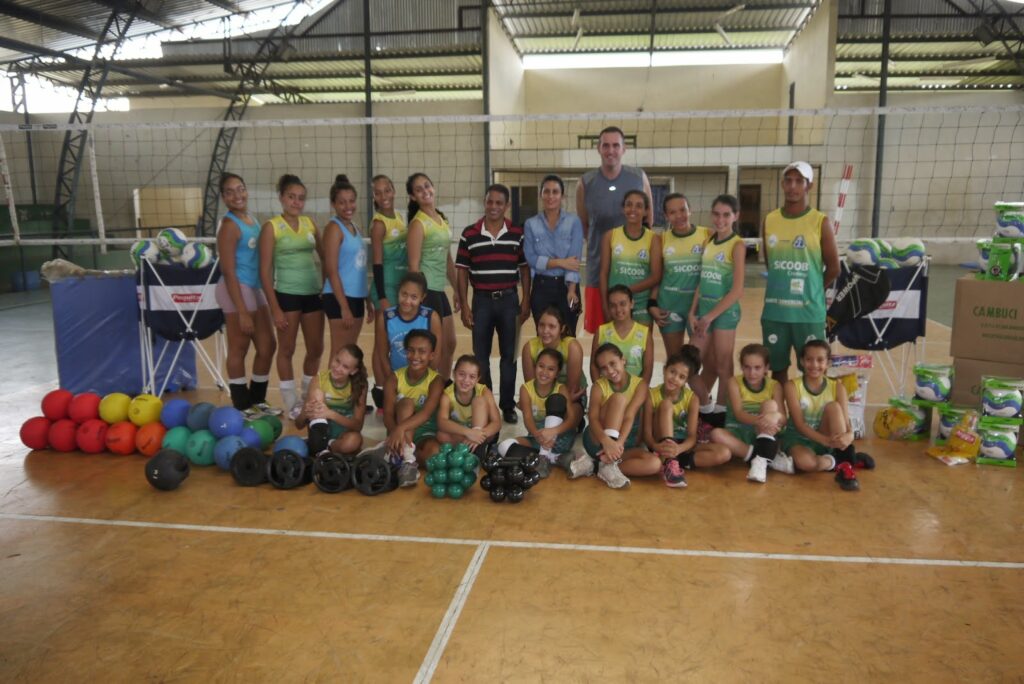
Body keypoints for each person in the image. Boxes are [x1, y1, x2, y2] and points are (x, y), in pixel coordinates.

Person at [455, 184, 531, 424]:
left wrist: (526, 299)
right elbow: (462, 271)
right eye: (490, 201)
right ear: (484, 202)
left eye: (499, 203)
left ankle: (507, 405)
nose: (494, 206)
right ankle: (485, 404)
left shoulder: (517, 233)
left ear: (506, 205)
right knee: (481, 358)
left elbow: (525, 269)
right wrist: (465, 306)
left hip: (509, 301)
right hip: (481, 302)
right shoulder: (469, 234)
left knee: (510, 357)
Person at [762, 161, 841, 384]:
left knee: (813, 374)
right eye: (788, 181)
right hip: (775, 312)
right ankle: (779, 408)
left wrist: (813, 289)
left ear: (809, 186)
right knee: (777, 371)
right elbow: (771, 264)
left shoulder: (820, 221)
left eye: (799, 181)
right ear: (782, 184)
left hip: (808, 313)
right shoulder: (770, 220)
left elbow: (834, 268)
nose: (792, 186)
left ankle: (809, 409)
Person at [259, 174, 324, 420]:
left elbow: (326, 256)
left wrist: (326, 286)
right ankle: (291, 403)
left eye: (301, 198)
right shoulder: (272, 227)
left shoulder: (310, 224)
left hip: (312, 294)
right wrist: (274, 308)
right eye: (291, 197)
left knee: (316, 348)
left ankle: (307, 397)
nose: (296, 202)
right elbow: (264, 271)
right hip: (286, 295)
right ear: (281, 198)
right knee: (286, 349)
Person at [576, 126, 654, 334]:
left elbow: (649, 219)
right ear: (598, 148)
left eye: (615, 145)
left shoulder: (638, 177)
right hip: (597, 272)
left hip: (633, 274)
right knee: (602, 334)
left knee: (635, 336)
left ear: (624, 149)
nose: (610, 150)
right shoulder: (586, 182)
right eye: (606, 145)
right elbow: (584, 225)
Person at [214, 172, 279, 417]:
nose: (237, 195)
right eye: (230, 192)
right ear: (223, 197)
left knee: (268, 345)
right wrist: (241, 311)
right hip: (235, 288)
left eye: (240, 189)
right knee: (239, 348)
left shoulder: (252, 219)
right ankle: (241, 405)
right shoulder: (229, 226)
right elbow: (228, 271)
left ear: (246, 190)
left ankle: (257, 399)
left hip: (253, 287)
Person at [782, 340, 873, 491]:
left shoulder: (837, 387)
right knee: (806, 464)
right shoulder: (792, 386)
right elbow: (800, 425)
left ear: (828, 363)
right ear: (802, 361)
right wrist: (828, 442)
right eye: (809, 359)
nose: (814, 364)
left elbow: (846, 423)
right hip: (799, 438)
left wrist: (849, 436)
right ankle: (838, 461)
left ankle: (845, 466)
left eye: (820, 360)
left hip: (827, 437)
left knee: (834, 407)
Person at [688, 194, 745, 421]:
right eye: (716, 214)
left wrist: (710, 317)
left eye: (726, 215)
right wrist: (692, 312)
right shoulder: (708, 241)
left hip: (724, 314)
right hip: (704, 312)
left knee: (723, 366)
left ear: (735, 216)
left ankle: (721, 413)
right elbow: (701, 281)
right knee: (688, 362)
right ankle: (705, 404)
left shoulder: (737, 245)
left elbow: (737, 290)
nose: (720, 220)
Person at [644, 348, 731, 489]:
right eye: (672, 372)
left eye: (681, 377)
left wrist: (679, 449)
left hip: (681, 447)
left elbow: (692, 436)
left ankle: (675, 462)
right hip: (661, 446)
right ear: (664, 370)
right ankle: (669, 462)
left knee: (724, 453)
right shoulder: (651, 395)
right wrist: (655, 446)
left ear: (686, 380)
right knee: (666, 404)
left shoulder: (692, 399)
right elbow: (647, 434)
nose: (675, 378)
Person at [578, 343, 659, 489]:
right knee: (619, 398)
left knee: (654, 464)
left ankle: (601, 466)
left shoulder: (640, 385)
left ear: (623, 360)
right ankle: (606, 461)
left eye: (612, 363)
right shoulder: (599, 386)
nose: (609, 371)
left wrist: (618, 444)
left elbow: (629, 416)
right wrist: (606, 441)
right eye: (604, 368)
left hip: (623, 446)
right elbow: (593, 418)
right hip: (597, 441)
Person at [709, 344, 794, 484]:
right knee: (716, 434)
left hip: (763, 432)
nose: (752, 373)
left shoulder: (775, 386)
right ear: (741, 367)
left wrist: (775, 416)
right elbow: (739, 414)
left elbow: (783, 418)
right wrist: (762, 420)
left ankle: (761, 459)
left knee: (771, 405)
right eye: (747, 367)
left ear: (766, 368)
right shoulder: (734, 382)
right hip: (738, 431)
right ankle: (764, 458)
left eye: (757, 368)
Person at [406, 172, 457, 382]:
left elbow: (448, 260)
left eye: (427, 186)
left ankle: (442, 385)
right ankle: (430, 389)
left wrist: (458, 290)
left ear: (433, 187)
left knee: (450, 343)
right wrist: (419, 298)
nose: (425, 191)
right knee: (434, 347)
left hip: (439, 289)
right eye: (419, 189)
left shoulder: (441, 219)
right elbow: (413, 266)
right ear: (413, 197)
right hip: (427, 292)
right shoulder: (418, 224)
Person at [649, 192, 709, 359]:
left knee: (696, 360)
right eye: (672, 212)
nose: (679, 216)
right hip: (669, 307)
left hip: (699, 307)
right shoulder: (661, 239)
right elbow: (657, 276)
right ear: (666, 216)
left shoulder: (708, 235)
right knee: (674, 360)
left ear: (690, 210)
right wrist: (652, 304)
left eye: (682, 210)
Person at [523, 174, 583, 333]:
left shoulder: (574, 222)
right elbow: (531, 259)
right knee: (544, 335)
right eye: (546, 191)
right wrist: (560, 262)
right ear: (541, 195)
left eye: (555, 192)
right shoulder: (530, 224)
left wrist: (571, 290)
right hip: (541, 290)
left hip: (569, 289)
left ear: (562, 196)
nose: (550, 196)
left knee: (568, 334)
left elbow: (574, 261)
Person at [383, 329, 444, 487]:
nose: (415, 356)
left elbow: (425, 414)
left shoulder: (436, 381)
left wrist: (400, 429)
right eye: (411, 350)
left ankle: (399, 456)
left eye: (422, 351)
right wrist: (395, 432)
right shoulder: (394, 378)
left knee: (435, 454)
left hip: (423, 432)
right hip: (399, 432)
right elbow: (387, 414)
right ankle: (407, 460)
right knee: (406, 403)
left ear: (431, 355)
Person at [322, 174, 372, 361]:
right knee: (339, 352)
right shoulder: (334, 228)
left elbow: (358, 268)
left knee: (349, 352)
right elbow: (331, 270)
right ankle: (328, 383)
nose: (348, 206)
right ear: (333, 204)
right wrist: (343, 307)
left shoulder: (354, 227)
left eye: (351, 201)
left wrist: (366, 299)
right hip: (340, 297)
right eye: (342, 202)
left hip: (356, 297)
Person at [369, 174, 407, 407]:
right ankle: (380, 389)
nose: (383, 195)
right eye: (378, 192)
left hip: (400, 287)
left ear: (393, 191)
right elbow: (377, 264)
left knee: (394, 339)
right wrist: (382, 296)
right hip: (385, 288)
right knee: (381, 342)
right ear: (374, 196)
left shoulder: (400, 218)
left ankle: (394, 386)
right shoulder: (379, 224)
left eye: (387, 190)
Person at [599, 189, 662, 326]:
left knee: (642, 340)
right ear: (623, 208)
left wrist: (626, 292)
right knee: (615, 340)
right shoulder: (610, 236)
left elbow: (656, 276)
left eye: (639, 206)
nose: (633, 209)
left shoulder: (654, 239)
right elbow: (603, 273)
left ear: (646, 211)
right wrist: (605, 304)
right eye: (629, 204)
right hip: (616, 304)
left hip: (641, 304)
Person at [516, 348, 581, 478]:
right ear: (535, 366)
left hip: (559, 438)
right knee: (504, 447)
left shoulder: (560, 388)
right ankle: (557, 458)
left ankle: (543, 457)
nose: (544, 372)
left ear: (557, 373)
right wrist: (538, 436)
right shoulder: (525, 388)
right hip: (538, 437)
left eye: (551, 369)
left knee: (556, 400)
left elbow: (571, 418)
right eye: (541, 366)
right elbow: (527, 418)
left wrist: (553, 431)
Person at [297, 344, 367, 457]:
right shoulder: (318, 380)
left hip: (342, 436)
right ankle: (318, 442)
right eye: (337, 361)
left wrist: (331, 414)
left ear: (353, 371)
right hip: (319, 433)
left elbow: (358, 426)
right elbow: (299, 424)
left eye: (345, 367)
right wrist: (306, 413)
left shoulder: (360, 385)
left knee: (354, 441)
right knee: (317, 393)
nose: (338, 368)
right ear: (333, 356)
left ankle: (327, 448)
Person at [373, 272, 442, 383]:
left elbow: (436, 354)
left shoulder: (431, 317)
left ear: (422, 297)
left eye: (414, 297)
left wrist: (425, 381)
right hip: (396, 378)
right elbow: (382, 355)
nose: (407, 301)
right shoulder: (386, 318)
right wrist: (392, 380)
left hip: (425, 380)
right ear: (398, 291)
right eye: (404, 294)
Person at [522, 306, 587, 406]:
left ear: (562, 328)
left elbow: (572, 390)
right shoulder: (529, 348)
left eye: (552, 326)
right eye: (541, 325)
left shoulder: (572, 347)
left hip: (570, 397)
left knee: (561, 411)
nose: (545, 331)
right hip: (542, 396)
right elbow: (531, 388)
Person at [590, 285, 653, 386]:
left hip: (635, 391)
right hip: (607, 391)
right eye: (613, 305)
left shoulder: (645, 334)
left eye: (622, 304)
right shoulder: (601, 332)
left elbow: (647, 370)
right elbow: (594, 366)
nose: (618, 309)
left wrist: (639, 392)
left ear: (631, 304)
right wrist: (600, 389)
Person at [437, 355, 502, 451]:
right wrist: (469, 433)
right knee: (441, 435)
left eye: (472, 377)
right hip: (464, 433)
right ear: (454, 374)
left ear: (478, 379)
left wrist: (479, 434)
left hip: (484, 432)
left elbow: (497, 423)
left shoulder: (483, 391)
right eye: (461, 374)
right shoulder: (447, 395)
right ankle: (472, 448)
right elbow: (441, 422)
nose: (466, 380)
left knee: (479, 400)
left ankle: (477, 448)